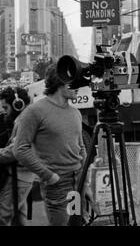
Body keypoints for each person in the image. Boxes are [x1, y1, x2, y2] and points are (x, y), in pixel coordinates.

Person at [14, 65, 86, 226]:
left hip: (77, 182)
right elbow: (20, 149)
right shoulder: (34, 112)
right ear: (62, 82)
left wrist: (84, 179)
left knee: (75, 223)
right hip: (57, 184)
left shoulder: (75, 113)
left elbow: (81, 147)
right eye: (75, 83)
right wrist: (49, 176)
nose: (79, 87)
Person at [0, 87, 34, 226]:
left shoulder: (25, 122)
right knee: (18, 220)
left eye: (5, 107)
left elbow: (14, 151)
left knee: (2, 216)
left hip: (19, 179)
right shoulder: (23, 119)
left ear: (17, 104)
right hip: (20, 176)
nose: (3, 111)